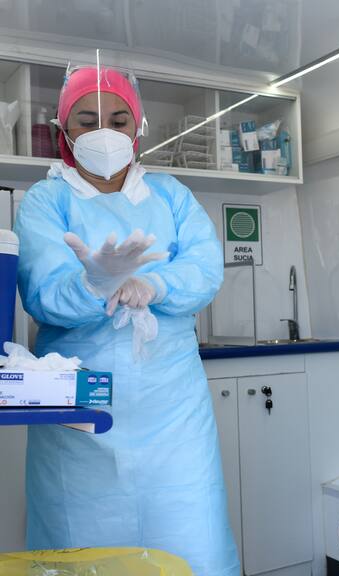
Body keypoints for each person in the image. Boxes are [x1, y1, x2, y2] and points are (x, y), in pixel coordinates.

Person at [14, 64, 239, 576]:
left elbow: (205, 267)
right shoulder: (46, 201)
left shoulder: (171, 195)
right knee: (86, 542)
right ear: (63, 131)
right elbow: (44, 294)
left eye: (118, 120)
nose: (104, 133)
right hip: (82, 409)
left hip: (173, 405)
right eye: (87, 120)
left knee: (190, 532)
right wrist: (92, 285)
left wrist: (156, 285)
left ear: (137, 129)